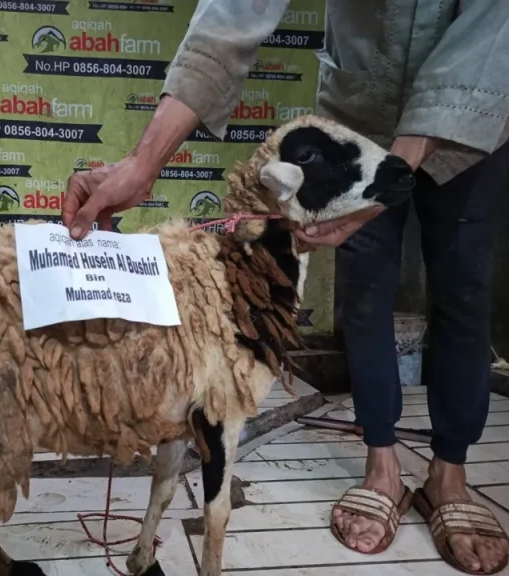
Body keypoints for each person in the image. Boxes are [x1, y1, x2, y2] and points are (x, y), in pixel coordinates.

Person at [61, 1, 509, 573]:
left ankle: (450, 472)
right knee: (365, 287)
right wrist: (143, 162)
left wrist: (398, 169)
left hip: (475, 107)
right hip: (360, 109)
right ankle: (382, 465)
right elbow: (235, 10)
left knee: (465, 284)